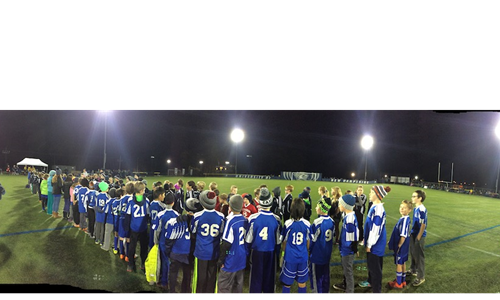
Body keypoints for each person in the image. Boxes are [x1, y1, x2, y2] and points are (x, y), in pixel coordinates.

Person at [245, 187, 282, 294]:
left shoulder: (253, 218)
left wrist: (247, 253)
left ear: (259, 203)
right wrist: (277, 253)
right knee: (269, 277)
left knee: (256, 277)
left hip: (256, 252)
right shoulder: (276, 219)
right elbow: (278, 241)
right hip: (270, 252)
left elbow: (248, 240)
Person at [190, 190, 225, 294]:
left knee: (200, 278)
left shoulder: (197, 216)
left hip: (201, 252)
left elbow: (193, 231)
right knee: (212, 277)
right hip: (214, 252)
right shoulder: (221, 216)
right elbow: (222, 233)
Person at [359, 185, 391, 294]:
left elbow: (375, 229)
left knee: (375, 269)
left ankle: (377, 291)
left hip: (375, 244)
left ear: (377, 195)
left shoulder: (378, 209)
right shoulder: (375, 206)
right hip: (374, 243)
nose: (369, 194)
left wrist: (369, 244)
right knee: (373, 266)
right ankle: (370, 281)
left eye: (371, 193)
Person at [217, 194, 249, 294]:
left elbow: (226, 243)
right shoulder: (245, 220)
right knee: (238, 285)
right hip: (241, 258)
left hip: (231, 260)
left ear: (230, 206)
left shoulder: (230, 221)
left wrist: (221, 260)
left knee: (224, 285)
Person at [279, 197, 312, 294]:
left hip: (290, 257)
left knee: (287, 283)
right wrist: (306, 251)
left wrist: (283, 254)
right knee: (302, 282)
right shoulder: (307, 224)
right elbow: (308, 241)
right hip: (302, 257)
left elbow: (284, 241)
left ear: (291, 209)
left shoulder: (288, 224)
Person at [332, 194, 359, 294]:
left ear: (345, 206)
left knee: (348, 272)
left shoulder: (350, 219)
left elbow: (352, 238)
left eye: (340, 203)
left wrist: (347, 249)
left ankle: (349, 291)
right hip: (346, 249)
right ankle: (348, 288)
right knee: (347, 271)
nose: (339, 205)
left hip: (347, 251)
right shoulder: (349, 216)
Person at [309, 195, 334, 294]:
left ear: (321, 208)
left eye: (317, 206)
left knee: (316, 278)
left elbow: (312, 240)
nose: (316, 208)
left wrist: (309, 251)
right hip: (327, 255)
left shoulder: (317, 222)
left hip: (317, 256)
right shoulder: (331, 221)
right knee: (325, 276)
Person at [124, 180, 151, 273]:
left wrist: (126, 231)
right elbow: (148, 215)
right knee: (144, 247)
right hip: (143, 228)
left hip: (133, 228)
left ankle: (131, 265)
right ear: (142, 190)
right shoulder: (146, 200)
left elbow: (127, 216)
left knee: (132, 247)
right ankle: (143, 264)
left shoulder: (130, 201)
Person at [387, 199, 412, 289]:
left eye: (404, 208)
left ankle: (398, 283)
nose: (402, 209)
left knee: (399, 263)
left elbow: (403, 235)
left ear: (409, 210)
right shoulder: (403, 218)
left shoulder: (405, 220)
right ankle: (403, 280)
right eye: (401, 207)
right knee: (403, 262)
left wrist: (398, 245)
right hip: (404, 245)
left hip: (402, 246)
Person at [408, 189, 427, 287]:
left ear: (420, 198)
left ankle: (421, 277)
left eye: (414, 196)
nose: (412, 198)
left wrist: (419, 236)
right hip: (413, 233)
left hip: (419, 235)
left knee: (419, 256)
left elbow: (424, 224)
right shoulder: (416, 208)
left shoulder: (422, 209)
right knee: (413, 252)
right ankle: (413, 269)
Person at [118, 181, 134, 261]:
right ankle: (128, 255)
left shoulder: (122, 198)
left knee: (121, 237)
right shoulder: (132, 199)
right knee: (128, 238)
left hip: (121, 218)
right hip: (129, 220)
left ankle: (121, 253)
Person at [94, 181, 109, 246]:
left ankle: (97, 239)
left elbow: (96, 205)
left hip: (98, 214)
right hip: (103, 215)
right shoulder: (107, 196)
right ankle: (101, 241)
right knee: (103, 228)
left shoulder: (98, 195)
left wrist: (99, 210)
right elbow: (107, 206)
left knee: (98, 227)